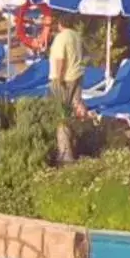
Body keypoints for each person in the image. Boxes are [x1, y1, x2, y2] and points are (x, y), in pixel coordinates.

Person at [46, 15, 84, 163]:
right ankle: (76, 144)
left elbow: (60, 59)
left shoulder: (61, 38)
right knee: (75, 112)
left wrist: (59, 79)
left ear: (60, 24)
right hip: (78, 75)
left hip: (65, 79)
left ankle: (65, 154)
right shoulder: (77, 36)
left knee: (61, 114)